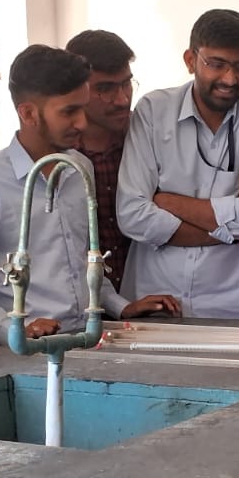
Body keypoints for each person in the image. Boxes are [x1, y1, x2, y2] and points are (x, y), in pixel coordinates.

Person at [0, 45, 181, 346]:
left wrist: (121, 306)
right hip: (24, 353)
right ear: (28, 113)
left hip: (87, 341)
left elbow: (84, 260)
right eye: (69, 111)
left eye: (82, 108)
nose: (82, 123)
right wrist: (15, 329)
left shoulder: (80, 167)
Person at [117, 9, 239, 320]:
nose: (230, 79)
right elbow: (132, 215)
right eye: (217, 64)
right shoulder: (153, 111)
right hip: (155, 304)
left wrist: (168, 202)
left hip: (234, 308)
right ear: (190, 60)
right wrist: (233, 221)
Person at [65, 29, 137, 289]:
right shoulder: (58, 156)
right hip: (82, 301)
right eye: (105, 89)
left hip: (149, 294)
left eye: (126, 83)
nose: (123, 99)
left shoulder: (148, 141)